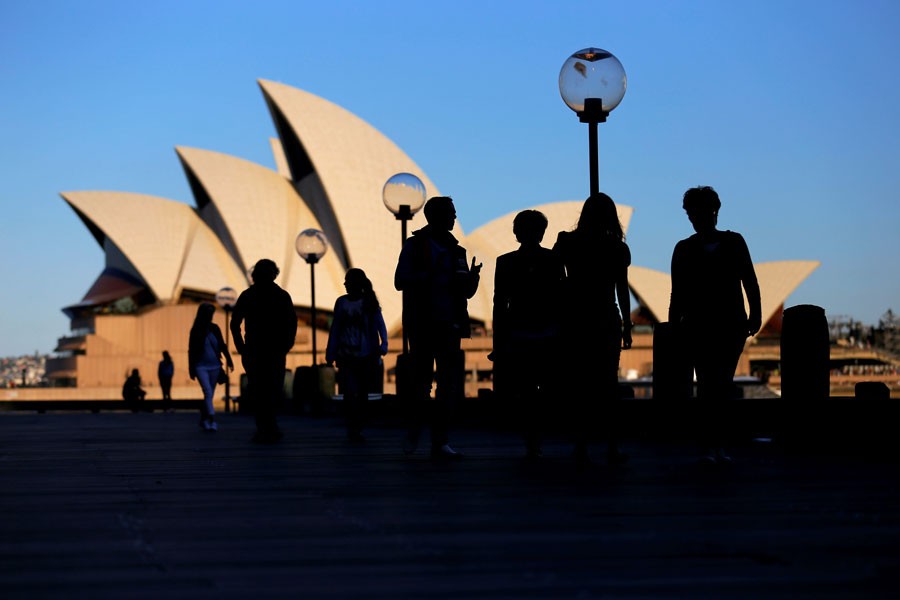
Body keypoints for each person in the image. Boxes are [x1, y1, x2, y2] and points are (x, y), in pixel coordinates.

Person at [668, 185, 761, 465]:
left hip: (729, 324)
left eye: (699, 212)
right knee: (710, 384)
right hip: (699, 326)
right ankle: (713, 444)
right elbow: (678, 292)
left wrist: (755, 314)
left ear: (714, 212)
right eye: (691, 214)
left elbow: (750, 281)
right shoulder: (684, 249)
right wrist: (674, 325)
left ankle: (715, 444)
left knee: (718, 384)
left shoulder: (733, 243)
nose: (695, 219)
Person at [394, 196, 482, 460]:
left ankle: (440, 441)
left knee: (448, 384)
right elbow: (400, 280)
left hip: (449, 324)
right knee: (420, 383)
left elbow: (465, 292)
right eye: (451, 213)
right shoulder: (415, 245)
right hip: (422, 323)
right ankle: (414, 432)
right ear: (437, 216)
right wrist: (431, 274)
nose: (455, 218)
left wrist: (473, 279)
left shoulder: (457, 251)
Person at [552, 192, 633, 467]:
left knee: (579, 384)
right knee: (608, 384)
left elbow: (553, 273)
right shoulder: (616, 248)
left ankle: (581, 444)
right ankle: (611, 446)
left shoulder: (567, 241)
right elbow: (621, 288)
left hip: (574, 317)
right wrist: (627, 326)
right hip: (605, 316)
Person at [491, 210, 565, 460]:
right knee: (545, 388)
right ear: (542, 232)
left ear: (515, 232)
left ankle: (531, 438)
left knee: (525, 390)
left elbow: (499, 304)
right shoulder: (554, 260)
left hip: (518, 333)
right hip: (547, 332)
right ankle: (537, 436)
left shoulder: (505, 262)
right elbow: (561, 299)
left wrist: (498, 341)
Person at [231, 258, 298, 444]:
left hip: (257, 350)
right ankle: (269, 427)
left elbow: (234, 324)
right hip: (271, 350)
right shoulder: (281, 295)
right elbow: (292, 323)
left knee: (261, 391)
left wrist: (241, 348)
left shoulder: (248, 295)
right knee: (271, 390)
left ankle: (265, 428)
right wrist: (287, 344)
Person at [325, 268, 389, 443]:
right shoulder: (342, 303)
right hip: (346, 355)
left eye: (347, 280)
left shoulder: (369, 302)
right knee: (349, 391)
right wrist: (331, 353)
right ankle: (353, 426)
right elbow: (335, 329)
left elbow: (380, 324)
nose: (345, 284)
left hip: (365, 355)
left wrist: (383, 344)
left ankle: (357, 426)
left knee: (361, 392)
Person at [188, 303, 233, 432]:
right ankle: (212, 419)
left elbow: (222, 345)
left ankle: (204, 420)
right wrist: (191, 368)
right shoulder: (196, 330)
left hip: (215, 366)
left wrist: (229, 359)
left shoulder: (215, 328)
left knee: (209, 395)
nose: (211, 316)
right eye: (208, 313)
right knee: (208, 392)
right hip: (200, 366)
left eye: (212, 313)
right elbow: (191, 350)